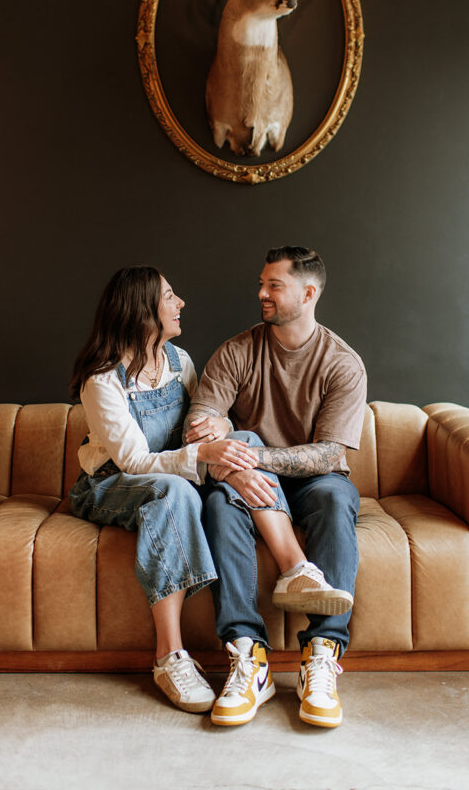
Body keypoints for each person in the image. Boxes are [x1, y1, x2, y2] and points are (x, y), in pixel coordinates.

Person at [67, 264, 328, 715]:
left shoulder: (179, 361)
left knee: (243, 441)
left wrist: (219, 430)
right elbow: (133, 461)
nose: (180, 303)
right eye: (170, 296)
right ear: (142, 309)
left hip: (174, 473)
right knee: (176, 492)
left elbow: (201, 421)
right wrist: (208, 460)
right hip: (112, 484)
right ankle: (169, 657)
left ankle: (296, 568)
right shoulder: (102, 380)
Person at [185, 246, 367, 729]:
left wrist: (250, 454)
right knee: (222, 505)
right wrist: (220, 437)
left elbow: (331, 455)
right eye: (261, 283)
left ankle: (322, 655)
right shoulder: (237, 351)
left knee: (333, 496)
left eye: (273, 286)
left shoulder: (342, 363)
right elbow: (199, 424)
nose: (261, 293)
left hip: (313, 481)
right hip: (245, 484)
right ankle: (248, 654)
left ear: (308, 294)